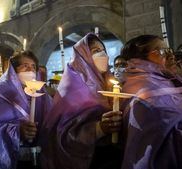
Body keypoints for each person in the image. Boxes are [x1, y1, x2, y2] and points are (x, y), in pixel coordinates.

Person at [41, 33, 123, 169]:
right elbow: (59, 135)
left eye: (104, 50)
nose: (103, 55)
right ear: (83, 57)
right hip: (88, 160)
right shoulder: (71, 88)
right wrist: (99, 128)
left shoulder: (106, 83)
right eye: (96, 51)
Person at [0, 51, 53, 169]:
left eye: (33, 67)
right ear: (14, 71)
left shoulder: (43, 98)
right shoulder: (0, 96)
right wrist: (17, 131)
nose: (30, 70)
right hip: (14, 162)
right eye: (25, 66)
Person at [120, 35, 182, 169]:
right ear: (140, 59)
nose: (171, 56)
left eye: (169, 50)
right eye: (162, 52)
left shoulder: (166, 79)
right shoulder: (141, 86)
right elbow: (158, 125)